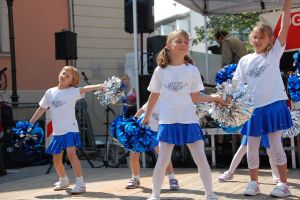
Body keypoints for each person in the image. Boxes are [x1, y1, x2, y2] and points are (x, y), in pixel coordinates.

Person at [142, 29, 226, 200]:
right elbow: (154, 95)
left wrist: (214, 98)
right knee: (163, 159)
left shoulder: (192, 70)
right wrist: (147, 115)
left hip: (189, 120)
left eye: (186, 42)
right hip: (168, 121)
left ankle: (209, 193)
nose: (183, 44)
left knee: (201, 158)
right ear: (168, 45)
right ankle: (155, 195)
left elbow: (196, 97)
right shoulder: (160, 71)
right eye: (179, 41)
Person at [232, 0, 294, 197]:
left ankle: (283, 184)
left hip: (274, 105)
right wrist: (225, 99)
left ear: (270, 40)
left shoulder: (274, 53)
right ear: (251, 40)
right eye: (255, 37)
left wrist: (287, 5)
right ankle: (254, 183)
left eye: (262, 37)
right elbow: (236, 85)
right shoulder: (244, 60)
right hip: (253, 109)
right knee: (251, 147)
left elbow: (285, 26)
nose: (258, 40)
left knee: (276, 146)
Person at [29, 66, 105, 194]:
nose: (64, 76)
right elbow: (42, 108)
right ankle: (63, 180)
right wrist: (30, 123)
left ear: (72, 81)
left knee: (71, 154)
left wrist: (99, 86)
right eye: (63, 73)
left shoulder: (72, 91)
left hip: (70, 129)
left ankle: (81, 184)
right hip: (57, 131)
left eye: (68, 76)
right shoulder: (50, 92)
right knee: (56, 160)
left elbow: (85, 88)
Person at [125, 101, 179, 190]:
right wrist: (133, 122)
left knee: (164, 156)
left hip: (157, 132)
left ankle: (172, 178)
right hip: (141, 129)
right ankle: (135, 178)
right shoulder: (156, 98)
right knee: (133, 156)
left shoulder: (173, 104)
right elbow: (141, 110)